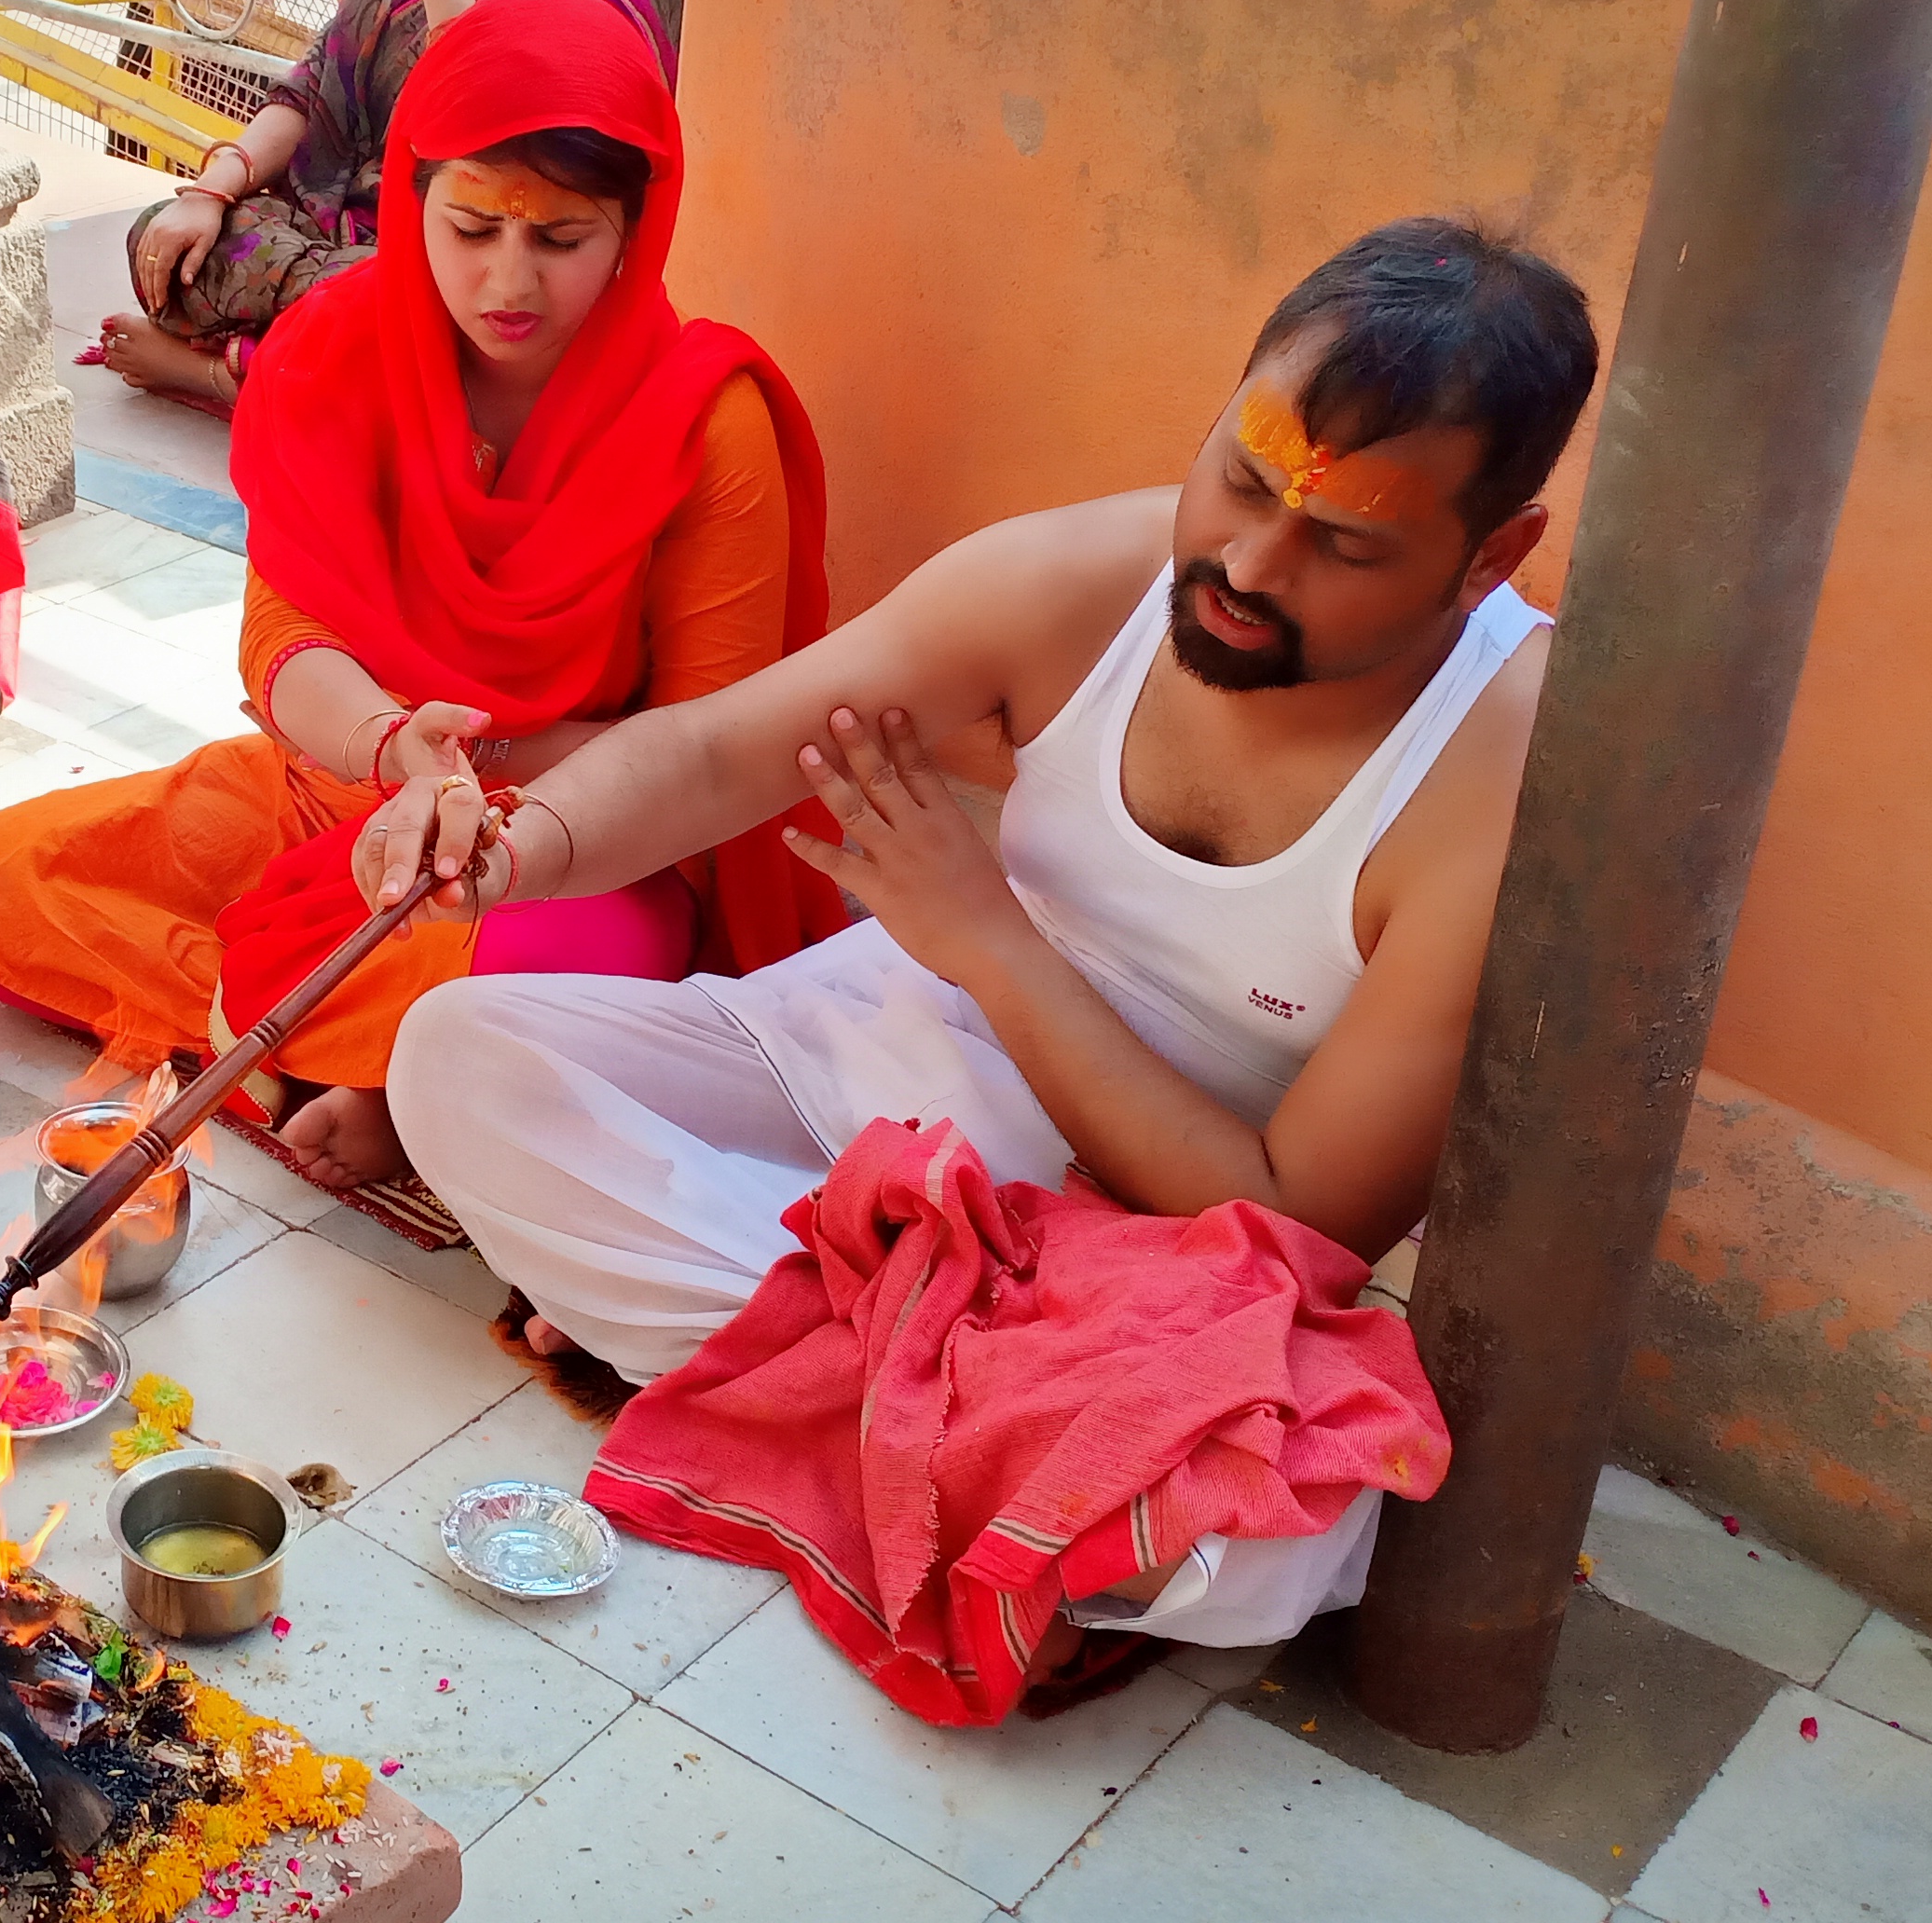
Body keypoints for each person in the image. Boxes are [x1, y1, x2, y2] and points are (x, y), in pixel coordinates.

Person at [370, 216, 1600, 1643]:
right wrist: (520, 846)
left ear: (1488, 557)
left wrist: (992, 942)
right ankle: (954, 1465)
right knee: (461, 1056)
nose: (1250, 567)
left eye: (1343, 542)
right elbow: (719, 755)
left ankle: (797, 1392)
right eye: (1242, 480)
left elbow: (1298, 1223)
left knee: (1264, 1557)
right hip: (866, 1105)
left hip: (1122, 1262)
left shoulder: (1506, 780)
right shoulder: (1085, 579)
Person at [0, 0, 845, 1196]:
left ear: (636, 227)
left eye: (561, 239)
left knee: (571, 967)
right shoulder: (333, 352)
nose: (510, 281)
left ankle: (367, 1066)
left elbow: (707, 755)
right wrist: (398, 748)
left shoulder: (709, 425)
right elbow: (285, 637)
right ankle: (342, 1049)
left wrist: (477, 784)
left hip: (563, 843)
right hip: (337, 787)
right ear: (410, 197)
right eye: (472, 228)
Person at [91, 0, 684, 409]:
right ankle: (299, 356)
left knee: (426, 326)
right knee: (170, 242)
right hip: (356, 230)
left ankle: (227, 373)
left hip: (489, 244)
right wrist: (212, 190)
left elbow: (514, 171)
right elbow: (313, 84)